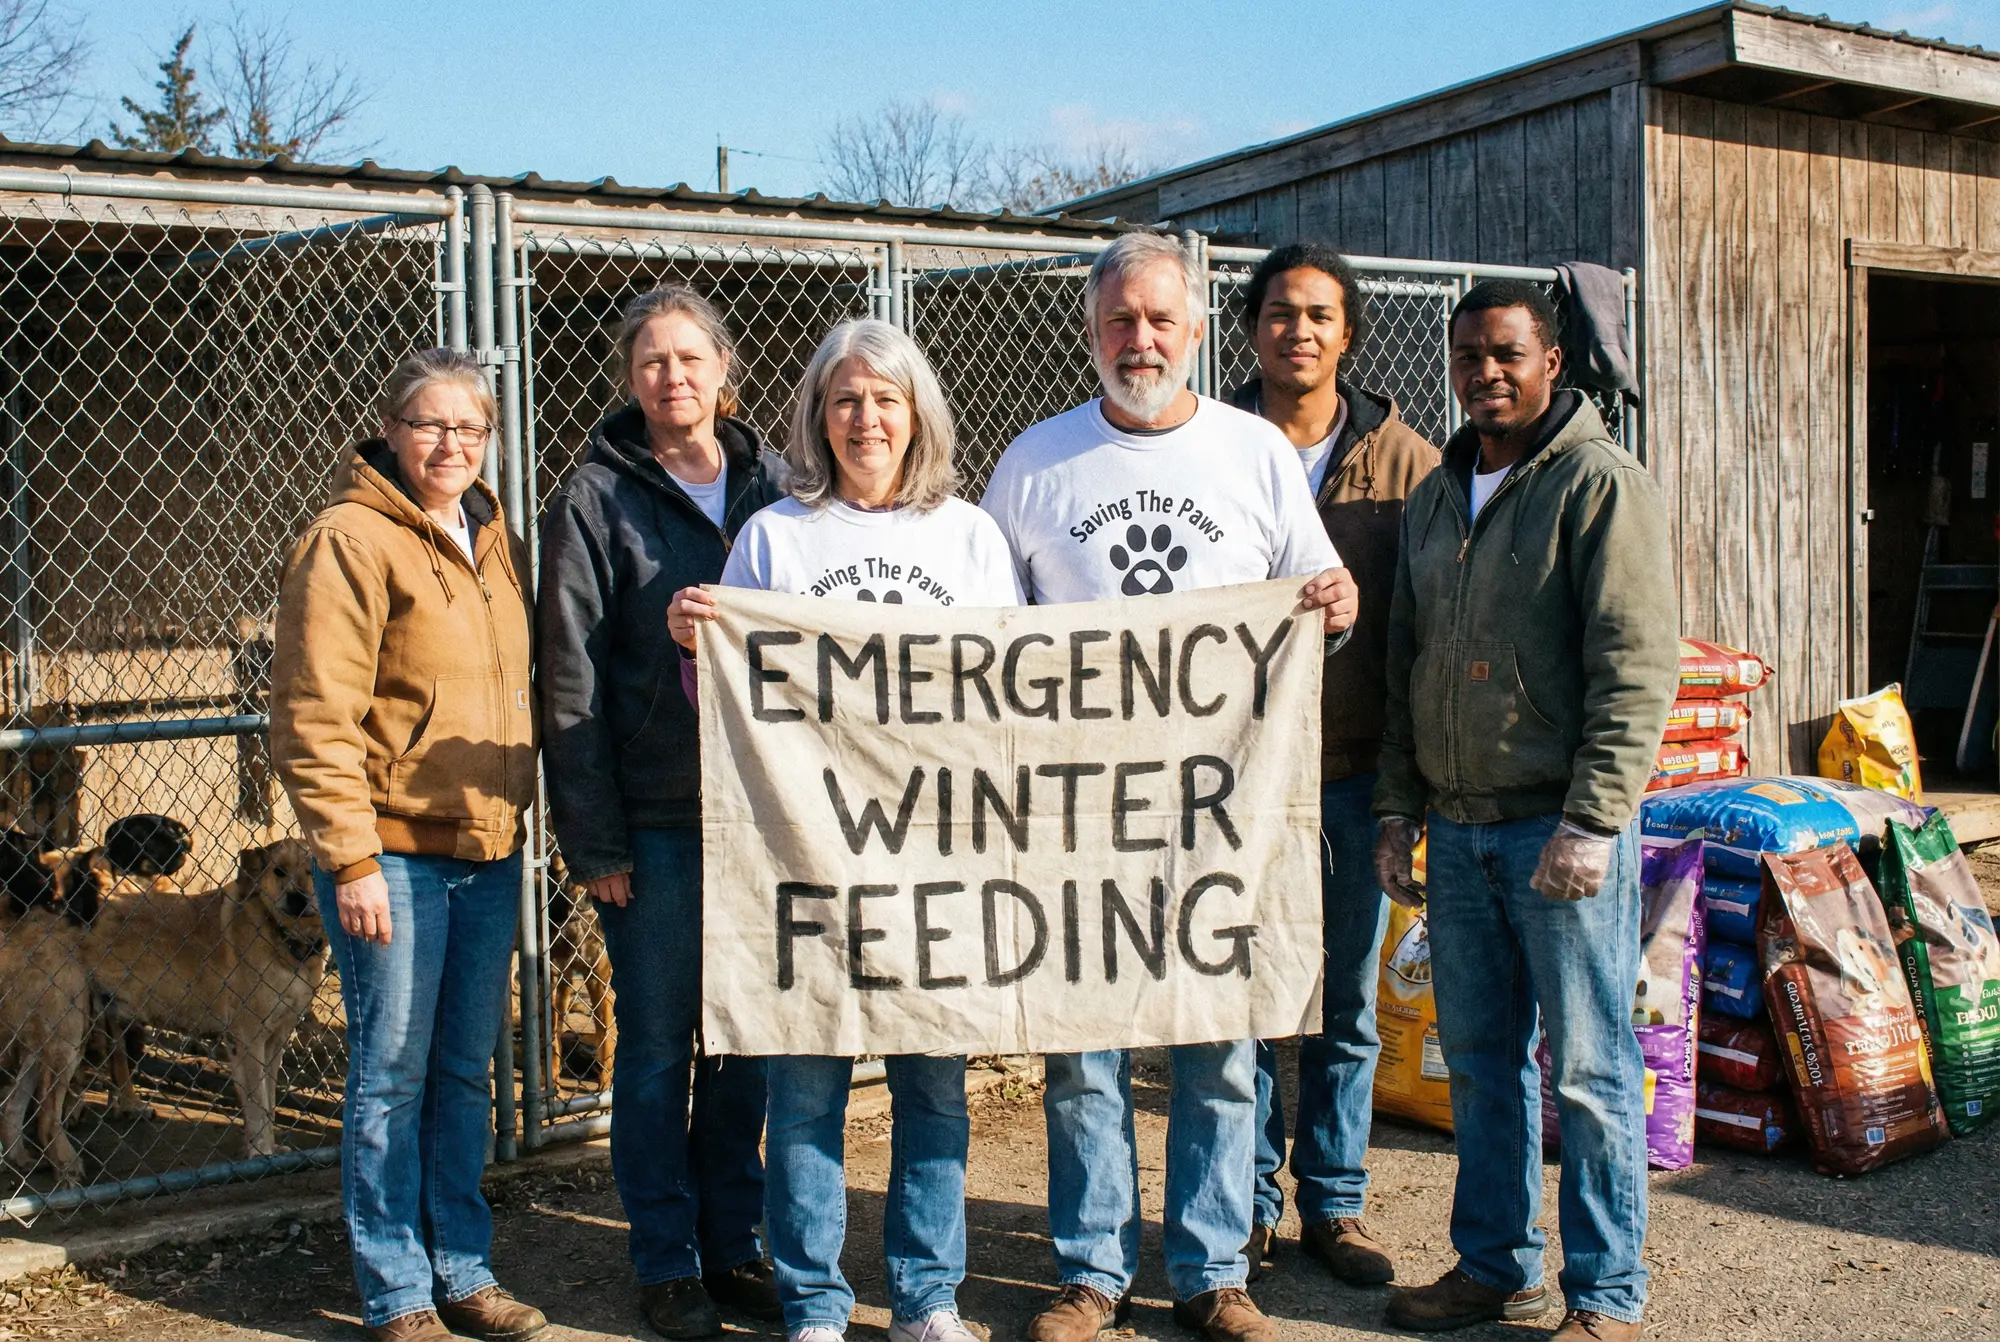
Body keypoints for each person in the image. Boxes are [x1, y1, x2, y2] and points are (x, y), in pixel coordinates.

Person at [979, 232, 1358, 1342]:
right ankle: (1090, 1273)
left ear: (1194, 331)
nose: (1136, 340)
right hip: (1075, 815)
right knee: (1082, 1051)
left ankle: (1210, 1271)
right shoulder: (1034, 464)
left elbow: (1310, 604)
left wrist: (1332, 610)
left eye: (1157, 320)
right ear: (1088, 332)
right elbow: (983, 641)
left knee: (1218, 1044)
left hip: (1217, 811)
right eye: (1117, 320)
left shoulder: (1253, 455)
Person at [668, 318, 1021, 1342]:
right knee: (807, 1088)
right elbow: (726, 706)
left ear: (918, 416)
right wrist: (697, 645)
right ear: (817, 418)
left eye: (885, 399)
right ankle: (815, 1303)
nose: (865, 419)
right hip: (807, 857)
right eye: (844, 400)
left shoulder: (967, 536)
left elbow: (1018, 701)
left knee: (932, 1089)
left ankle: (924, 1297)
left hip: (940, 856)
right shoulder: (777, 534)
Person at [1372, 280, 1675, 1341]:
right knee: (1481, 1064)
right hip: (1455, 829)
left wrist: (1593, 823)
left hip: (1553, 829)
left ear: (1549, 360)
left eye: (1504, 353)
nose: (1483, 374)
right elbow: (1408, 662)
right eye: (1466, 357)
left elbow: (1632, 669)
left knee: (1589, 1068)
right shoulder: (1438, 493)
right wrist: (1395, 810)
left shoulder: (1596, 484)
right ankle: (1496, 1267)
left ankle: (1603, 1294)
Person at [272, 349, 546, 1342]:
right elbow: (313, 714)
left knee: (463, 1073)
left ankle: (462, 1269)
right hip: (391, 854)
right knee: (388, 1074)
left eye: (469, 429)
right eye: (429, 425)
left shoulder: (488, 533)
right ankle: (396, 1291)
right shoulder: (350, 539)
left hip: (487, 848)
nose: (450, 444)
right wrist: (348, 857)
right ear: (389, 429)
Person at [537, 286, 789, 1339]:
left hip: (770, 818)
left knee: (746, 1046)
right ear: (627, 378)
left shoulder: (776, 482)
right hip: (654, 819)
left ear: (725, 372)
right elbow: (567, 680)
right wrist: (592, 840)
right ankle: (664, 1258)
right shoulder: (592, 499)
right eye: (652, 362)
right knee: (653, 1047)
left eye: (690, 359)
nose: (672, 378)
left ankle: (734, 1244)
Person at [1227, 242, 1439, 1288]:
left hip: (1355, 772)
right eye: (1277, 313)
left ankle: (1337, 1205)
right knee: (1254, 1000)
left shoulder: (1409, 465)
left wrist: (1411, 786)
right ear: (1249, 327)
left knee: (1347, 1000)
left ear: (1346, 333)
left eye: (1317, 314)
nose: (1296, 331)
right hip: (1232, 781)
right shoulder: (1204, 447)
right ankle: (1251, 1202)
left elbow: (1426, 632)